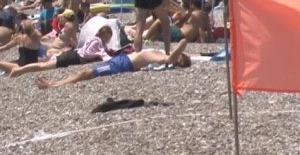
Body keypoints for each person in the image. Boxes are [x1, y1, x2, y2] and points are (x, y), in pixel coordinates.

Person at [36, 39, 193, 89]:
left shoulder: (160, 57)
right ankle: (54, 83)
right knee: (85, 72)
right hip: (122, 60)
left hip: (122, 65)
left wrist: (183, 43)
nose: (177, 57)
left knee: (85, 74)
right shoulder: (159, 53)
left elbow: (169, 60)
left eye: (180, 59)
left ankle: (52, 84)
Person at [11, 25, 114, 78]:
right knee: (42, 66)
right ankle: (19, 70)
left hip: (73, 57)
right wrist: (106, 57)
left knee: (43, 65)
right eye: (105, 36)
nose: (106, 39)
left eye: (108, 38)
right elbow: (89, 53)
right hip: (72, 58)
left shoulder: (98, 42)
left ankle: (20, 70)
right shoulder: (97, 41)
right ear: (101, 35)